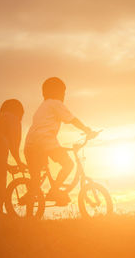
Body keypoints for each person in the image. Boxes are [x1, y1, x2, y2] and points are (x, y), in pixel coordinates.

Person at [24, 77, 95, 206]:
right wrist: (86, 130)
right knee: (68, 164)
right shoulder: (55, 103)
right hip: (45, 141)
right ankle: (54, 191)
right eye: (63, 92)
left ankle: (30, 201)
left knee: (35, 179)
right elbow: (72, 119)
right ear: (57, 92)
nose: (64, 95)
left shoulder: (42, 107)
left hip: (30, 144)